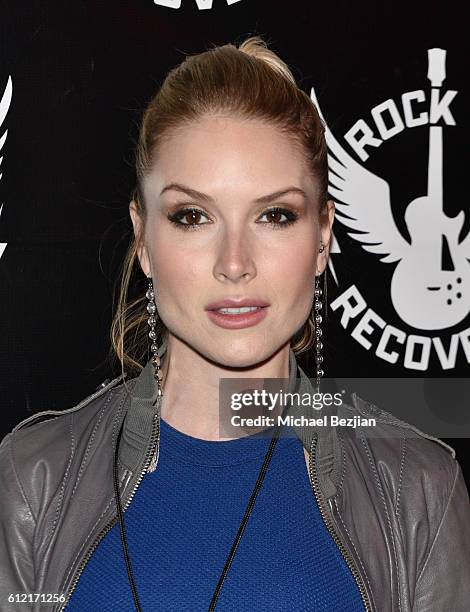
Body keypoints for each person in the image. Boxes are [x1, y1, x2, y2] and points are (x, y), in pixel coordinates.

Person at [0, 35, 469, 612]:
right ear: (143, 236)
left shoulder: (417, 488)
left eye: (275, 215)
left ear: (323, 237)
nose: (235, 263)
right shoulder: (32, 480)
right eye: (192, 216)